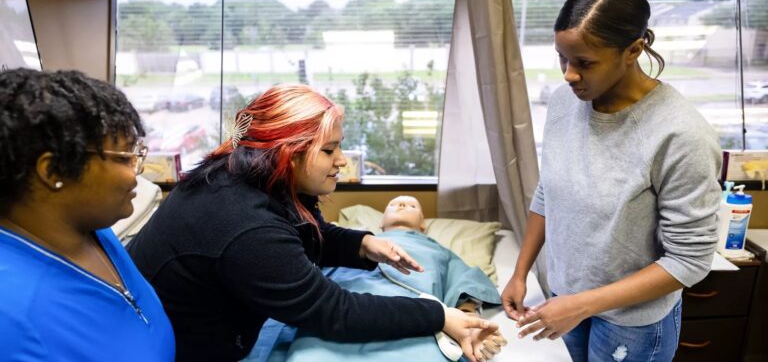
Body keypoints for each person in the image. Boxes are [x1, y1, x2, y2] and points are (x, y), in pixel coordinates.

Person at [127, 84, 497, 362]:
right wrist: (439, 314)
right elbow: (334, 312)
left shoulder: (253, 177)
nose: (341, 162)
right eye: (329, 150)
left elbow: (301, 231)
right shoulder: (243, 223)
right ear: (288, 153)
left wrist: (364, 244)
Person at [501, 0, 722, 362]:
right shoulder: (564, 102)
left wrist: (582, 304)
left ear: (634, 50)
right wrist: (521, 273)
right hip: (565, 300)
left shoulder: (680, 134)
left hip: (632, 324)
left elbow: (689, 261)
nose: (569, 74)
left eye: (584, 62)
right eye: (562, 58)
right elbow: (547, 192)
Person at [0, 68, 175, 361]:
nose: (137, 172)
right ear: (52, 170)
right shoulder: (14, 320)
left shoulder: (92, 229)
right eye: (124, 158)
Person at [260, 195, 508, 362]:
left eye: (411, 206)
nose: (401, 206)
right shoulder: (344, 244)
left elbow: (465, 280)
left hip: (416, 314)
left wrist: (467, 316)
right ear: (380, 221)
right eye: (394, 204)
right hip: (339, 309)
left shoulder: (437, 249)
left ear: (423, 224)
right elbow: (309, 280)